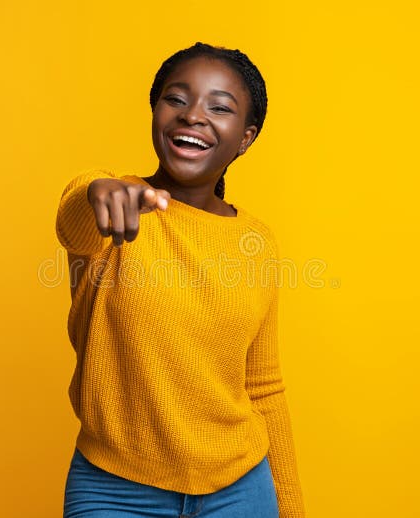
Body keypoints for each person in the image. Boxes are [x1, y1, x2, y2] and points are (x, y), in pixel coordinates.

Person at [56, 42, 305, 517]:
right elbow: (74, 222)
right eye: (176, 99)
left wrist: (291, 509)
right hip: (115, 488)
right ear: (155, 111)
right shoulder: (118, 205)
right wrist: (94, 191)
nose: (193, 116)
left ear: (245, 137)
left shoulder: (256, 242)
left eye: (219, 107)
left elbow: (264, 386)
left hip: (240, 488)